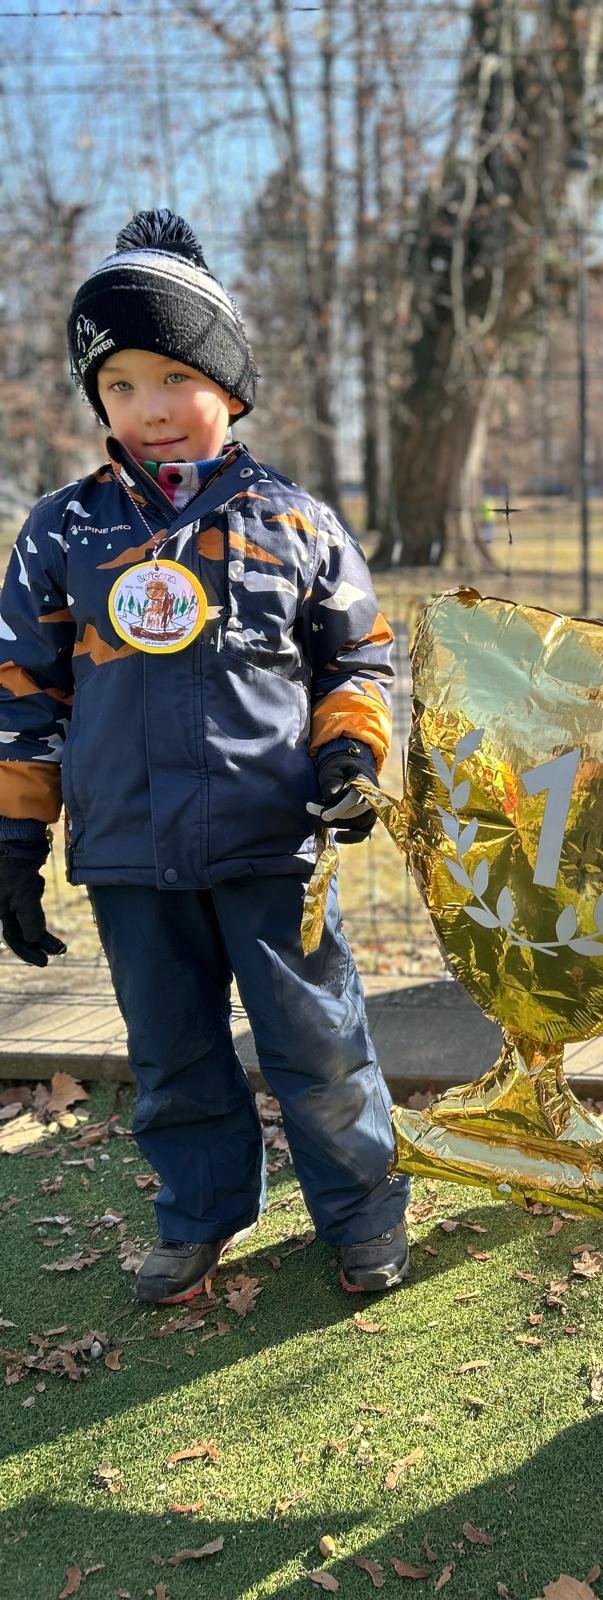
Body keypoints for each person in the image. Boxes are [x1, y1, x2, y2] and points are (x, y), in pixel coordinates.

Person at [0, 209, 410, 1304]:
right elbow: (23, 691)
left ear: (227, 384)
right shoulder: (61, 531)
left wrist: (349, 758)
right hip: (130, 854)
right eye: (120, 384)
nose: (150, 407)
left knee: (318, 1041)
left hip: (270, 841)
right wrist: (14, 837)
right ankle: (200, 1213)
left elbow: (357, 660)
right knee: (172, 1054)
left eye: (175, 376)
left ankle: (363, 1212)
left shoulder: (298, 524)